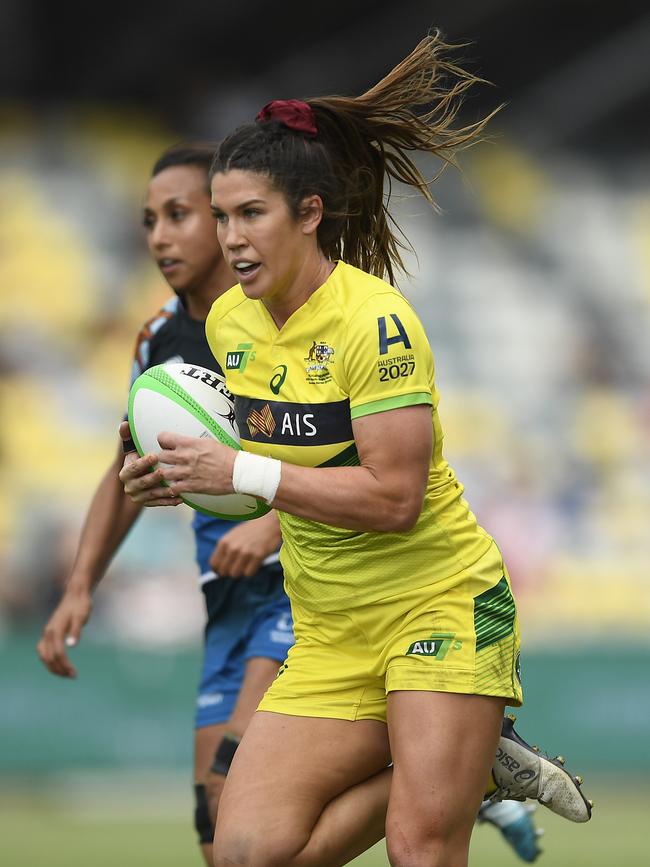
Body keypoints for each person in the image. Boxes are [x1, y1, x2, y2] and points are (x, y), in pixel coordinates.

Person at [120, 33, 593, 867]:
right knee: (245, 853)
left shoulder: (376, 324)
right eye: (221, 215)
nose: (230, 238)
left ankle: (452, 761)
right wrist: (172, 470)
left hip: (439, 605)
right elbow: (252, 454)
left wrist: (242, 473)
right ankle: (471, 765)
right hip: (332, 630)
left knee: (419, 845)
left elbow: (392, 498)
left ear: (310, 213)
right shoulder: (231, 321)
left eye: (251, 214)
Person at [36, 143, 294, 867]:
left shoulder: (283, 322)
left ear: (222, 224)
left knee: (237, 790)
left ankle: (438, 765)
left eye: (179, 215)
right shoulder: (159, 340)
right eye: (149, 220)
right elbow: (125, 469)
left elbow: (344, 451)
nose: (159, 236)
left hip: (303, 587)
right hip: (226, 595)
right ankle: (432, 766)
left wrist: (273, 522)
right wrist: (80, 584)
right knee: (216, 836)